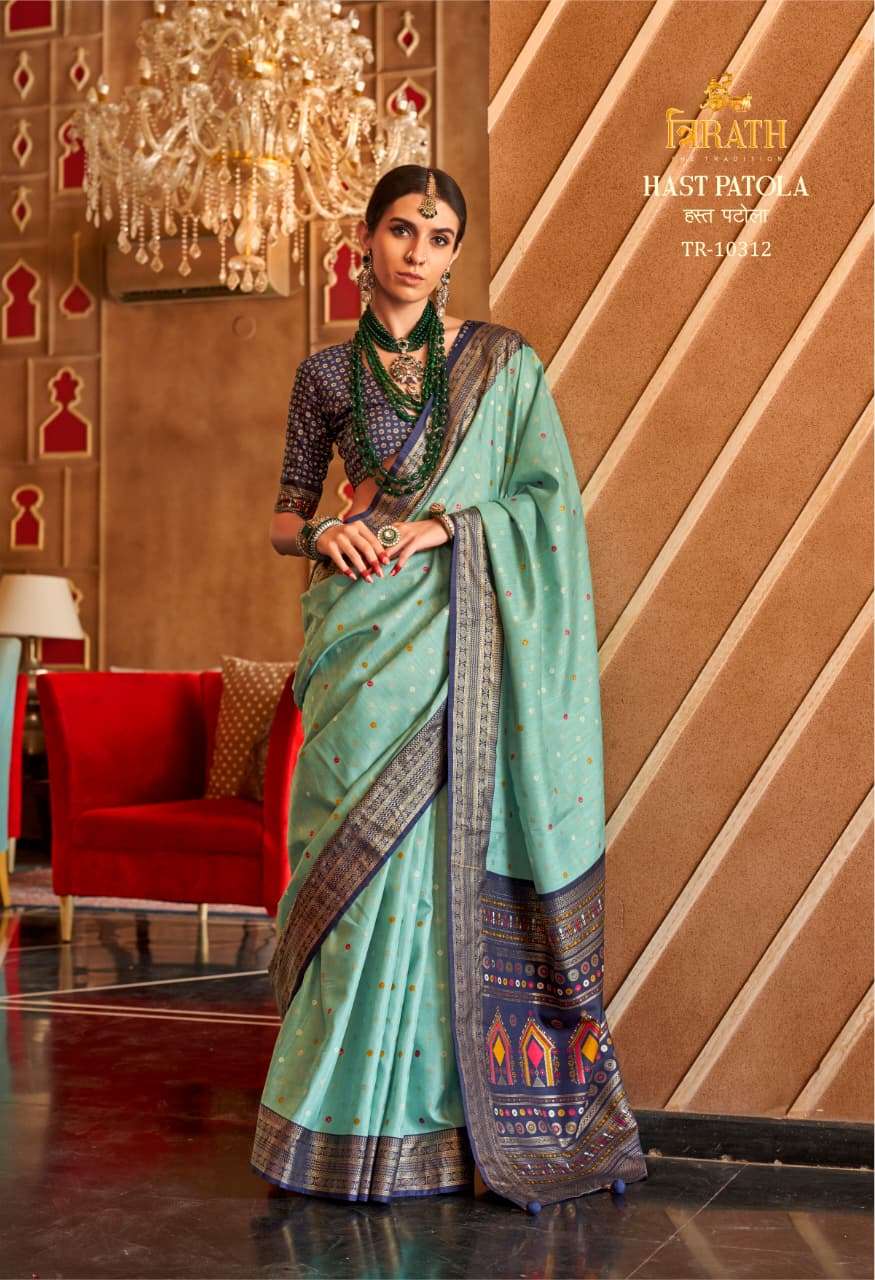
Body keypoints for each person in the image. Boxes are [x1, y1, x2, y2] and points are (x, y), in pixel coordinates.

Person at [250, 165, 648, 1213]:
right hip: (360, 640)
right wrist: (322, 534)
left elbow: (544, 504)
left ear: (453, 255)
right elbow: (284, 516)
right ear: (364, 240)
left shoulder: (502, 364)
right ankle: (334, 1124)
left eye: (437, 237)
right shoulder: (324, 376)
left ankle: (433, 1124)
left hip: (458, 630)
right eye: (399, 229)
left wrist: (445, 526)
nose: (416, 251)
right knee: (352, 875)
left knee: (434, 872)